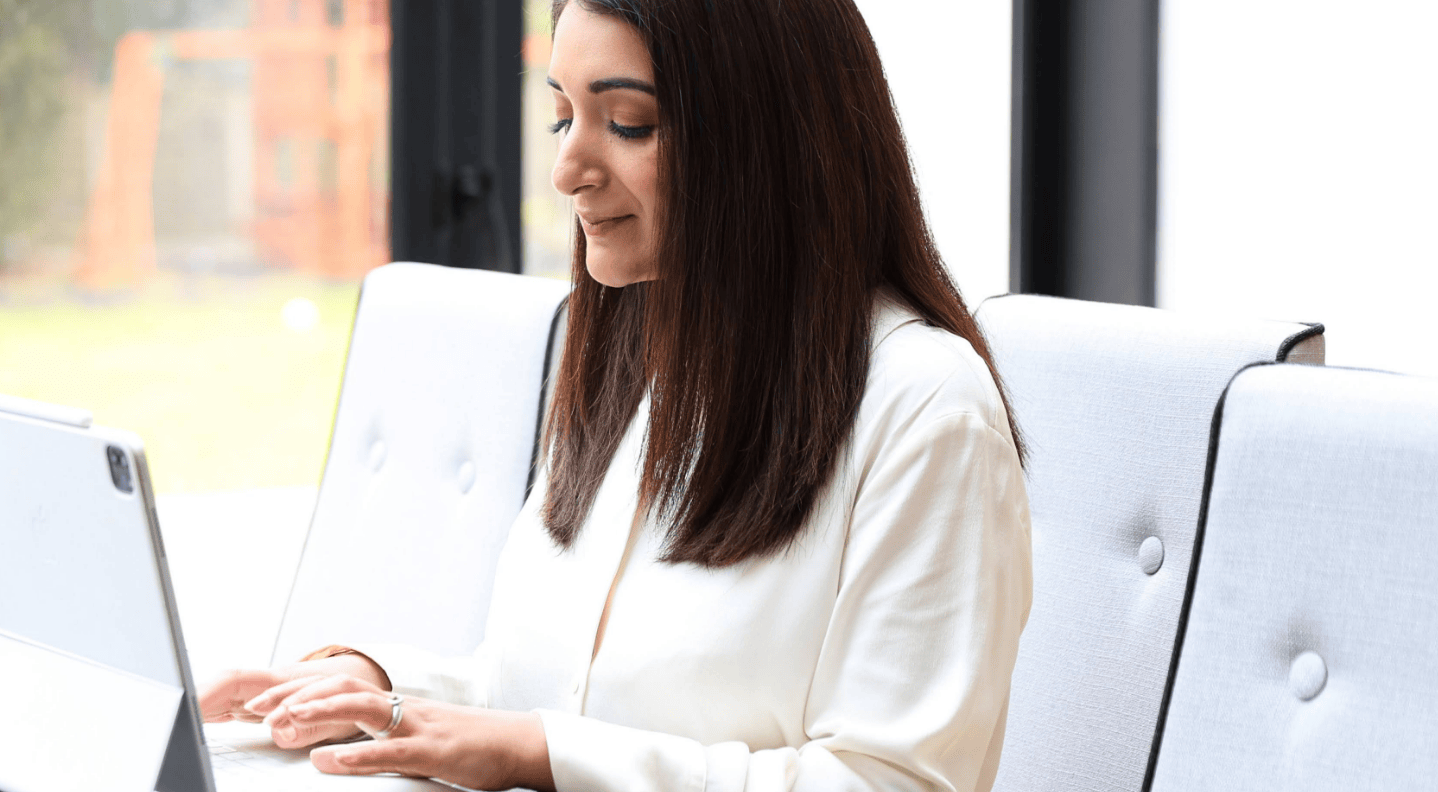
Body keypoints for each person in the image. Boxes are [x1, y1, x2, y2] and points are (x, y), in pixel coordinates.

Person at [198, 1, 1033, 789]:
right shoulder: (638, 360)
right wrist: (378, 689)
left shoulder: (927, 411)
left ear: (767, 142)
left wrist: (538, 754)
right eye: (562, 115)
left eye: (627, 123)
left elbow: (888, 780)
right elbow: (556, 693)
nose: (567, 170)